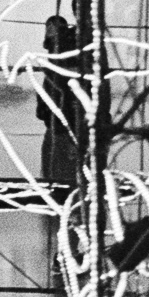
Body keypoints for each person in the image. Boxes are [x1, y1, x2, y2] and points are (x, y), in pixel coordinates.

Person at [37, 11, 87, 190]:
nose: (48, 33)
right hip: (59, 124)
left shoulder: (59, 61)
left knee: (55, 174)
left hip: (60, 126)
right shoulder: (61, 59)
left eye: (51, 29)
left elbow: (60, 94)